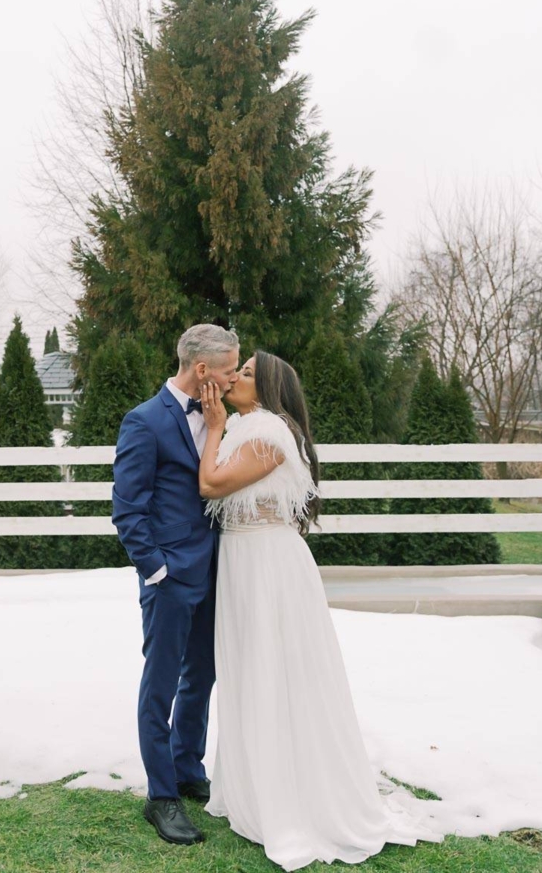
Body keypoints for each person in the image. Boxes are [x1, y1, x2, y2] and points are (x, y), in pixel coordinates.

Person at [197, 350, 443, 871]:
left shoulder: (268, 433)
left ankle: (291, 796)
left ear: (265, 388)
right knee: (248, 670)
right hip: (244, 561)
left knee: (276, 673)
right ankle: (254, 785)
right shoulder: (251, 427)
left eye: (244, 374)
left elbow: (211, 484)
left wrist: (215, 424)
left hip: (269, 567)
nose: (235, 379)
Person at [111, 323, 240, 845]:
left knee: (202, 676)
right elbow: (128, 508)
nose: (234, 379)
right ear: (203, 369)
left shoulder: (219, 418)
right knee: (161, 683)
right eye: (229, 370)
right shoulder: (143, 422)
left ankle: (188, 768)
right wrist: (156, 570)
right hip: (169, 578)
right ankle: (161, 795)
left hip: (215, 572)